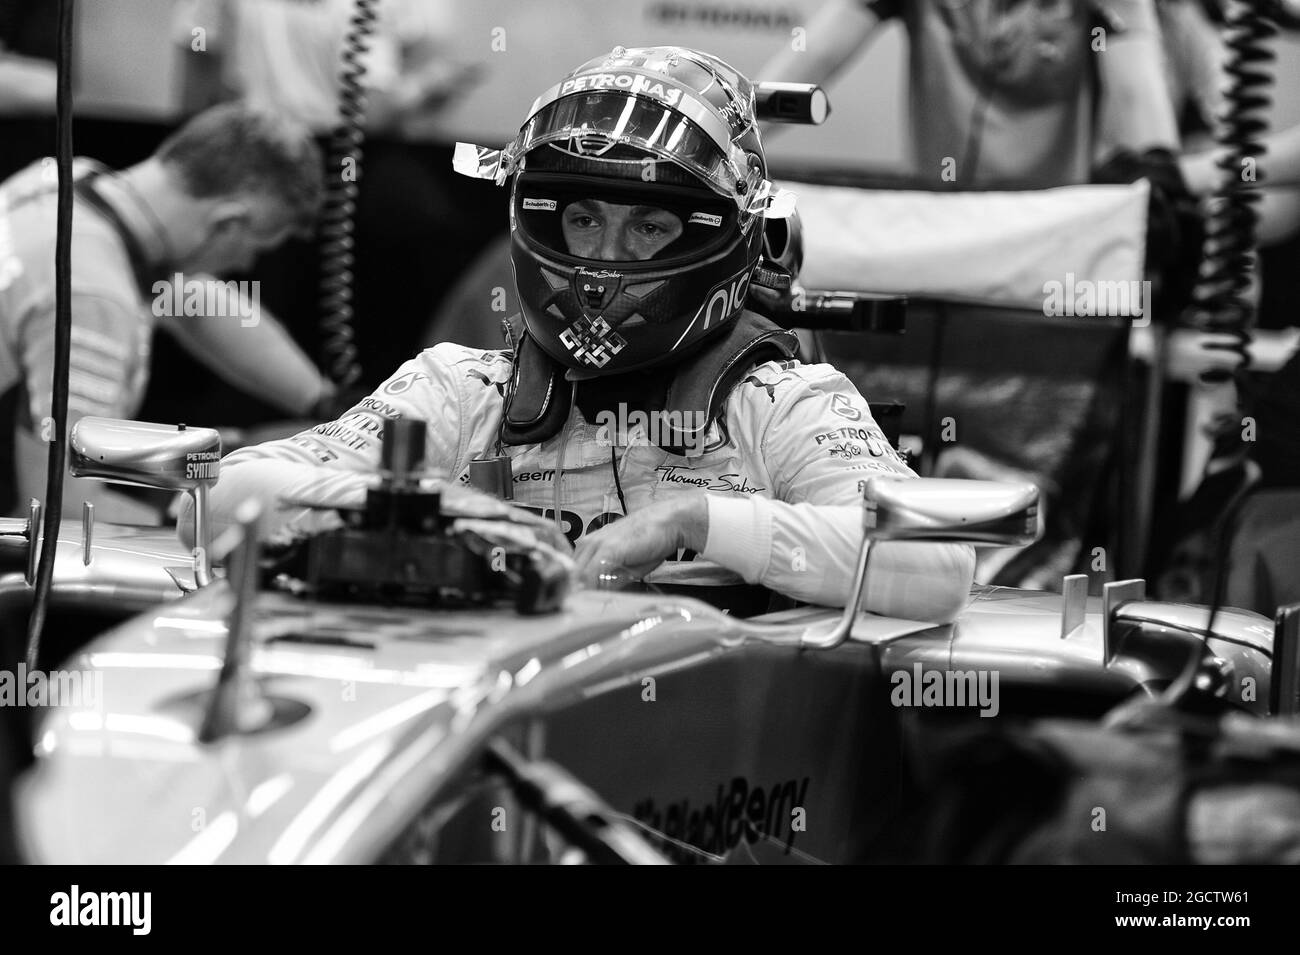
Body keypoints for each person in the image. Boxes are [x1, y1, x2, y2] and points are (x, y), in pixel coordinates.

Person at [196, 46, 975, 621]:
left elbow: (937, 567)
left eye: (649, 228)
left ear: (726, 240)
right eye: (582, 219)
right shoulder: (463, 390)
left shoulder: (783, 403)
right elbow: (220, 496)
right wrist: (442, 514)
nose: (603, 259)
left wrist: (699, 521)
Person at [0, 102, 337, 521]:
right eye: (256, 247)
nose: (244, 267)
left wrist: (327, 405)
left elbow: (191, 302)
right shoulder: (94, 301)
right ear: (228, 221)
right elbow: (59, 514)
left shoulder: (64, 182)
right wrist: (199, 529)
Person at [759, 0, 1180, 189]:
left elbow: (1138, 91)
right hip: (946, 223)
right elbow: (811, 60)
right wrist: (729, 132)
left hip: (1056, 229)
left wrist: (1162, 173)